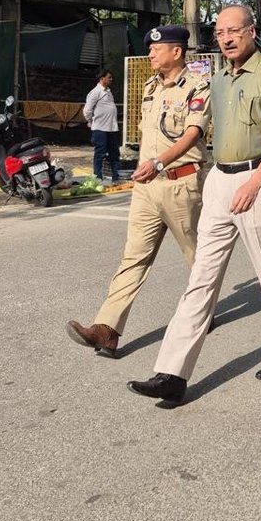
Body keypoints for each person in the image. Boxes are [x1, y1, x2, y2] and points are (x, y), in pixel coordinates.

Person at [126, 6, 261, 405]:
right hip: (220, 181)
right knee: (201, 277)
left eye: (233, 31)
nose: (225, 38)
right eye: (220, 32)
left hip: (257, 177)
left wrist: (256, 183)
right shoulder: (218, 79)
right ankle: (172, 372)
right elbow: (195, 129)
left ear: (252, 32)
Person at [67, 25, 209, 358]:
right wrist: (149, 166)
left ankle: (204, 309)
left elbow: (192, 133)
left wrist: (159, 162)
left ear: (177, 52)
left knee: (199, 258)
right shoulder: (149, 86)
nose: (151, 53)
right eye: (150, 49)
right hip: (147, 187)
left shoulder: (198, 86)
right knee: (133, 257)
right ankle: (107, 329)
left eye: (157, 49)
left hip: (180, 184)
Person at [83, 69, 122, 183]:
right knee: (100, 153)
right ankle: (98, 176)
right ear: (102, 78)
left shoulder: (108, 91)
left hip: (112, 128)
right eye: (109, 77)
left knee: (114, 153)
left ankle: (116, 177)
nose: (111, 79)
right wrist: (91, 121)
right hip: (100, 128)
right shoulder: (95, 92)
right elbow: (87, 110)